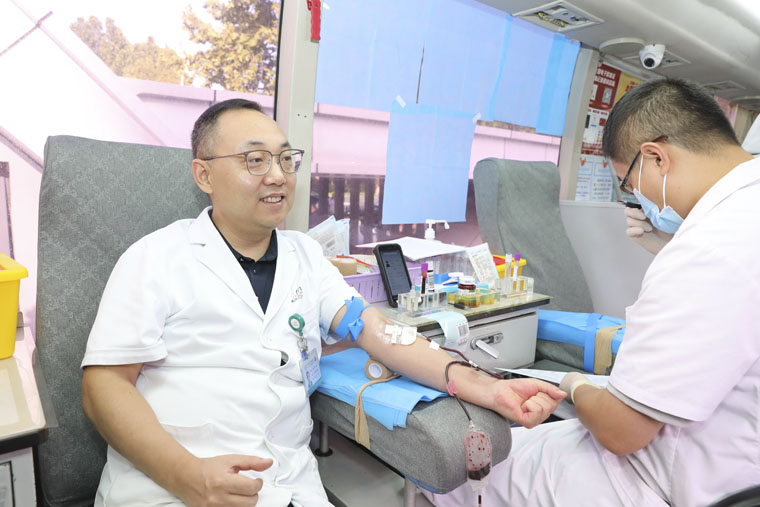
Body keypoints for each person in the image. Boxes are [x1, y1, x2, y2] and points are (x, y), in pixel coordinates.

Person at [80, 98, 566, 507]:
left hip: (289, 484)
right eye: (255, 160)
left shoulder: (306, 256)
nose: (277, 175)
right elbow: (103, 386)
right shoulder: (156, 257)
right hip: (169, 487)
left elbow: (376, 331)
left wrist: (487, 387)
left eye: (285, 159)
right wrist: (185, 475)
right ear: (203, 174)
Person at [426, 78, 760, 506]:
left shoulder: (706, 251)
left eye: (628, 184)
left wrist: (575, 386)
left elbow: (620, 433)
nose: (636, 199)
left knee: (465, 474)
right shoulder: (737, 220)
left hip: (676, 479)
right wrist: (670, 247)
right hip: (732, 465)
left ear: (657, 158)